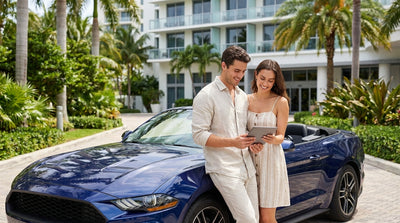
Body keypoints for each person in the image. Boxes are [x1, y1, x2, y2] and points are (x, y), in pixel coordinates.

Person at [192, 45, 259, 223]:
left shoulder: (243, 96)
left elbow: (242, 131)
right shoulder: (206, 96)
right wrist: (232, 142)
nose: (240, 75)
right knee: (248, 220)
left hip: (247, 167)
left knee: (255, 219)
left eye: (243, 71)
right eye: (236, 70)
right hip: (224, 169)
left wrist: (253, 142)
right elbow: (198, 135)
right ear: (224, 66)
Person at [248, 59, 291, 223]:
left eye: (270, 80)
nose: (265, 83)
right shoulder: (245, 100)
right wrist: (251, 143)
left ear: (275, 81)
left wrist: (272, 139)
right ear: (256, 75)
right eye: (263, 78)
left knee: (266, 217)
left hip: (270, 164)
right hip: (249, 162)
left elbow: (281, 136)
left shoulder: (281, 102)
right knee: (252, 216)